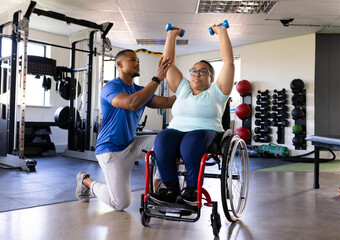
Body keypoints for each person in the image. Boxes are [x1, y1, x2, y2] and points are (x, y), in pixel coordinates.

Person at [76, 49, 175, 210]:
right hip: (110, 150)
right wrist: (157, 79)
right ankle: (86, 181)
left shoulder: (140, 90)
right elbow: (131, 103)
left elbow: (168, 102)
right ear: (119, 64)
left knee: (168, 143)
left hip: (132, 145)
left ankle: (156, 190)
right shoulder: (111, 87)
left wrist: (195, 90)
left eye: (138, 61)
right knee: (120, 203)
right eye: (132, 60)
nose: (137, 63)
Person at [149, 23, 234, 206]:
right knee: (162, 138)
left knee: (191, 141)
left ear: (211, 78)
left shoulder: (218, 92)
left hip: (206, 131)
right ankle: (171, 189)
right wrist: (171, 35)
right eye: (194, 71)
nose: (197, 74)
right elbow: (167, 63)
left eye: (203, 72)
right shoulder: (183, 88)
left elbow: (228, 63)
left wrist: (222, 33)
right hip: (176, 130)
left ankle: (192, 190)